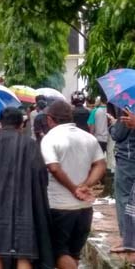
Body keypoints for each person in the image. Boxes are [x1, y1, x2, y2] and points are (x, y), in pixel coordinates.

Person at [0, 107, 53, 269]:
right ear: (21, 124)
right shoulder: (29, 144)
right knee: (24, 253)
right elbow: (40, 174)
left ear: (0, 123)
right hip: (23, 207)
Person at [41, 101, 106, 269]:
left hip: (59, 207)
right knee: (74, 253)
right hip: (84, 208)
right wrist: (85, 185)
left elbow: (53, 168)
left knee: (59, 253)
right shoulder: (88, 137)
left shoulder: (50, 139)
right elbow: (100, 164)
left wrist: (74, 189)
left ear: (49, 119)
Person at [110, 108, 135, 254]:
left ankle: (128, 240)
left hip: (128, 159)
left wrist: (113, 124)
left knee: (124, 197)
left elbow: (117, 134)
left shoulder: (129, 106)